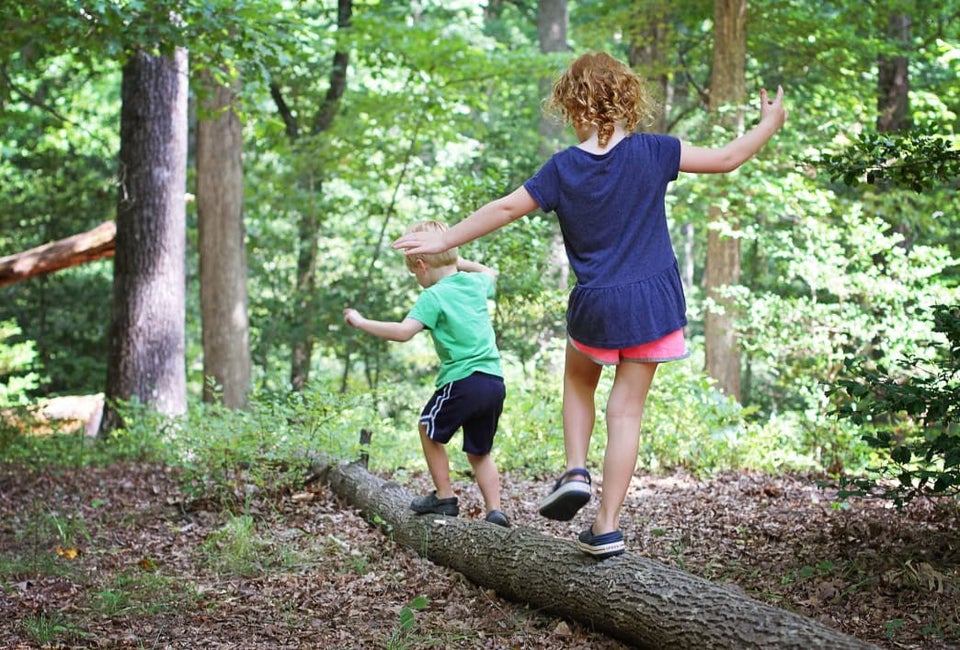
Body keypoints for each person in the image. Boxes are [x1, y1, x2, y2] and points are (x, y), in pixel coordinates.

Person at [392, 52, 787, 559]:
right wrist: (769, 123)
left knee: (579, 382)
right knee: (626, 412)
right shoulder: (655, 150)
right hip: (653, 303)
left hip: (597, 305)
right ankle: (607, 527)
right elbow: (729, 158)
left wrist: (445, 239)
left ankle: (576, 469)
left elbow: (506, 208)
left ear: (573, 106)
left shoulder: (563, 168)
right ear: (627, 99)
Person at [343, 220, 510, 528]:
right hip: (493, 381)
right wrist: (453, 258)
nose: (417, 279)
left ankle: (444, 498)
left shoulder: (433, 296)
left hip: (462, 380)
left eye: (414, 273)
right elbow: (490, 272)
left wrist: (361, 322)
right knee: (480, 452)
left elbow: (403, 332)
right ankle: (495, 511)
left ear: (421, 264)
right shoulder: (474, 284)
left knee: (427, 429)